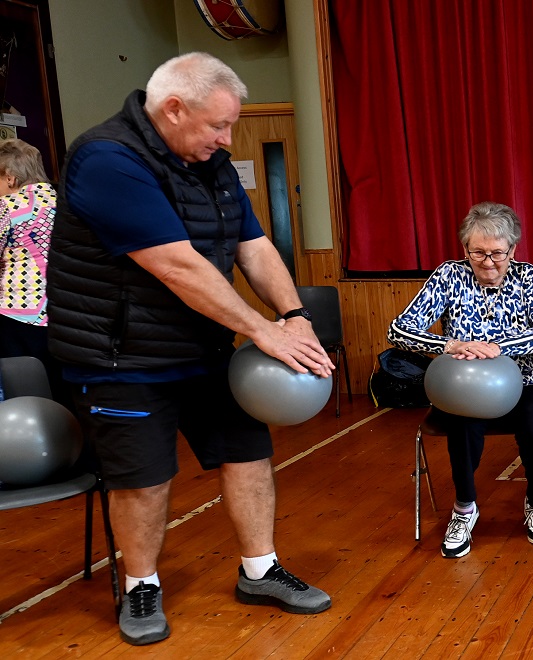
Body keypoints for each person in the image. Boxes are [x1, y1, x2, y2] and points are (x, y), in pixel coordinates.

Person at [45, 53, 334, 646]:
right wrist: (262, 330)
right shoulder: (107, 159)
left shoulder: (213, 165)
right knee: (143, 477)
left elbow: (254, 246)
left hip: (201, 346)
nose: (228, 139)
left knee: (247, 450)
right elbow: (177, 265)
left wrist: (295, 315)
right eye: (217, 126)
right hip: (121, 355)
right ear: (172, 109)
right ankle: (140, 584)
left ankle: (260, 570)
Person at [388, 201, 533, 559]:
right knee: (462, 424)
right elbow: (399, 329)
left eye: (497, 253)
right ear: (465, 249)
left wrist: (496, 348)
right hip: (463, 384)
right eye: (478, 252)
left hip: (522, 380)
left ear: (512, 249)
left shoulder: (526, 276)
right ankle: (464, 507)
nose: (488, 262)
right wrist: (450, 344)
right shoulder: (449, 275)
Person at [0, 139, 66, 400]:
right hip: (67, 312)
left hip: (19, 313)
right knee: (64, 391)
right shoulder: (66, 202)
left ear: (11, 178)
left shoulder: (7, 207)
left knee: (26, 396)